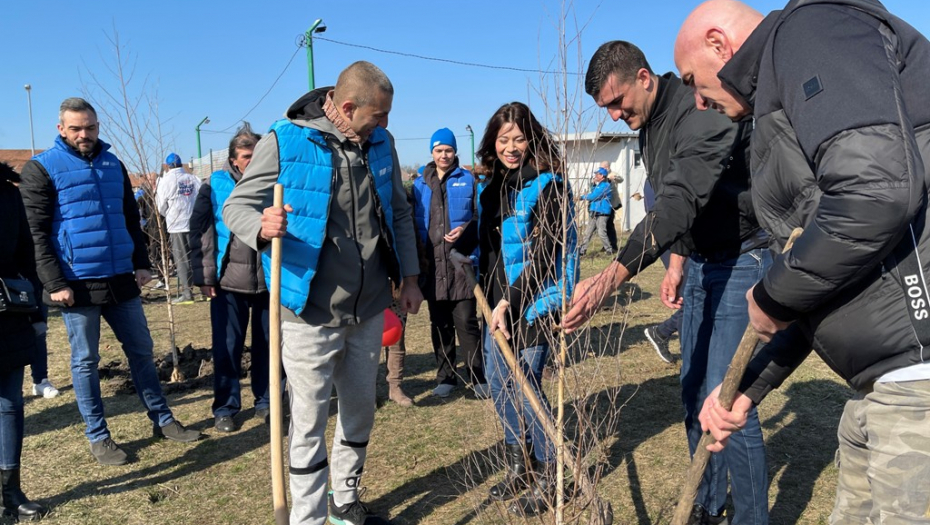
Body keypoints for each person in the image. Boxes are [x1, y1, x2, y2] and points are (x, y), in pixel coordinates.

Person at [675, 1, 930, 523]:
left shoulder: (810, 28)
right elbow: (822, 270)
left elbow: (875, 192)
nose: (697, 102)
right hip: (876, 390)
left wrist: (772, 295)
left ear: (720, 45)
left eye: (691, 80)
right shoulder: (777, 97)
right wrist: (746, 389)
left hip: (917, 384)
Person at [562, 41, 768, 524]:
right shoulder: (648, 126)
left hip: (743, 257)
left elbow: (679, 199)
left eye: (616, 102)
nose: (614, 115)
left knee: (728, 398)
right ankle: (708, 502)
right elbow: (676, 208)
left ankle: (753, 519)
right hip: (699, 262)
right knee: (694, 389)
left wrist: (611, 277)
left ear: (644, 77)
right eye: (605, 108)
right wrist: (677, 263)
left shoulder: (700, 107)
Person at [222, 61, 423, 525]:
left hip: (370, 307)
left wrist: (409, 279)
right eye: (379, 115)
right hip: (307, 313)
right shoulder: (285, 140)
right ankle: (308, 519)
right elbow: (237, 206)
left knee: (359, 414)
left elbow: (397, 213)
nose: (386, 124)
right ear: (348, 107)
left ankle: (344, 501)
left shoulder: (381, 144)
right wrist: (261, 226)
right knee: (308, 425)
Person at [19, 97, 201, 467]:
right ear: (61, 129)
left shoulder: (112, 164)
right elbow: (34, 233)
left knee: (141, 352)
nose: (84, 134)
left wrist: (142, 262)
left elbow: (130, 218)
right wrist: (54, 282)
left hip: (121, 278)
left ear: (98, 126)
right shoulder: (42, 169)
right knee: (86, 361)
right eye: (76, 128)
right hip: (75, 282)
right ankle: (98, 436)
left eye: (90, 127)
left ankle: (163, 419)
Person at [452, 101, 578, 516]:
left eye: (518, 139)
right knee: (499, 382)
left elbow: (545, 256)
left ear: (532, 140)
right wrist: (463, 237)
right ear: (493, 143)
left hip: (534, 301)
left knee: (526, 386)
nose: (510, 147)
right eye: (503, 139)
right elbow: (490, 240)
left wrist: (513, 301)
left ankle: (553, 476)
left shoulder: (550, 186)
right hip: (496, 302)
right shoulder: (495, 188)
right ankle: (519, 466)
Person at [189, 122, 272, 433]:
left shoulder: (275, 182)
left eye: (257, 154)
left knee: (268, 344)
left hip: (267, 280)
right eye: (246, 155)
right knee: (227, 347)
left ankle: (266, 400)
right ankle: (225, 406)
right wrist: (205, 275)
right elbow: (200, 232)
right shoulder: (215, 185)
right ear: (234, 159)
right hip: (227, 282)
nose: (252, 160)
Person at [412, 128, 486, 399]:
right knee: (439, 323)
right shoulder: (420, 184)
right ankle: (446, 377)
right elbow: (413, 222)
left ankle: (478, 377)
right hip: (432, 266)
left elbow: (480, 217)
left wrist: (465, 231)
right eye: (439, 150)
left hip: (461, 264)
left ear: (455, 152)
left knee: (467, 322)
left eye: (449, 150)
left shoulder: (468, 180)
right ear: (431, 152)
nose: (444, 155)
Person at [0, 162, 46, 521]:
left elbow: (26, 257)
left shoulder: (8, 194)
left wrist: (34, 315)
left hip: (6, 316)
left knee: (9, 404)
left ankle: (11, 491)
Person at [642, 178, 685, 364]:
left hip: (686, 242)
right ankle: (690, 357)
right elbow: (663, 220)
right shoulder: (658, 176)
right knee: (691, 297)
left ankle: (661, 332)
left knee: (697, 297)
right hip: (675, 241)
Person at [156, 152, 201, 304]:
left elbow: (160, 205)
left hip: (177, 224)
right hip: (195, 223)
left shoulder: (166, 181)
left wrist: (168, 215)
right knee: (198, 256)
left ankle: (187, 294)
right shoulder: (193, 178)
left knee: (181, 259)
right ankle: (204, 289)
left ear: (168, 166)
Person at [577, 167, 617, 256]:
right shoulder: (599, 185)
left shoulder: (605, 186)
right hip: (594, 211)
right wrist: (593, 185)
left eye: (597, 174)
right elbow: (593, 192)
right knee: (588, 232)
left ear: (602, 176)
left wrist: (581, 197)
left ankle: (609, 250)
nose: (595, 175)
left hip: (602, 213)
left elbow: (593, 196)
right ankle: (582, 250)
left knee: (601, 232)